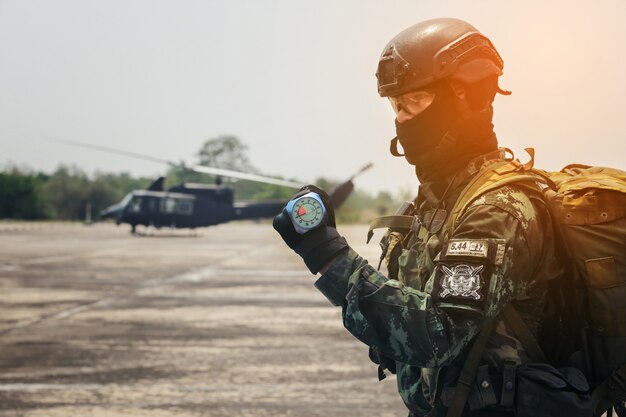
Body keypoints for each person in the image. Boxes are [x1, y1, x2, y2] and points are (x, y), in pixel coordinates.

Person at [274, 18, 581, 417]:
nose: (402, 121)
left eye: (414, 102)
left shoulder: (497, 211)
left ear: (464, 98)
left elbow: (437, 332)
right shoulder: (438, 204)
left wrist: (327, 254)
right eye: (396, 107)